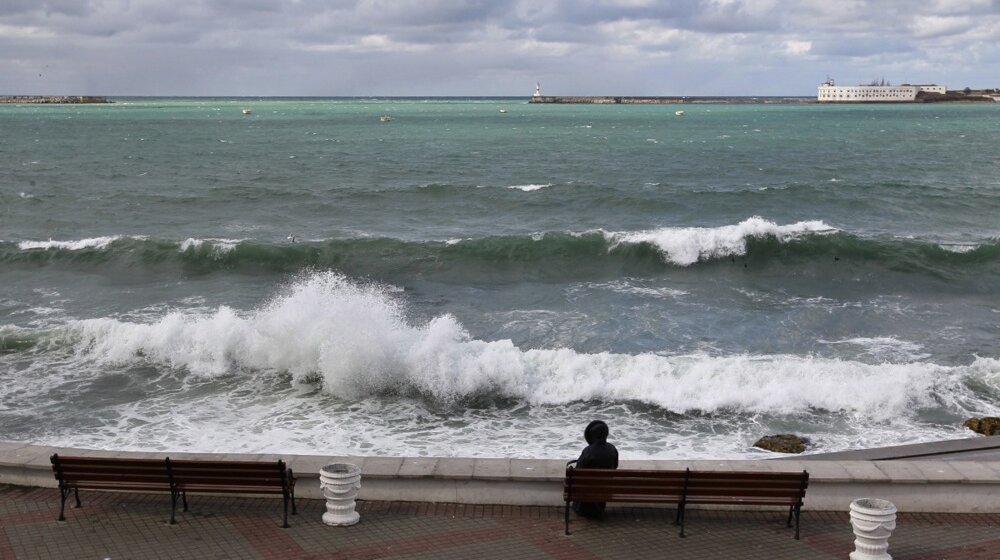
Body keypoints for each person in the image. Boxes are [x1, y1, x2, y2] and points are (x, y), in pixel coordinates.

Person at [572, 420, 619, 519]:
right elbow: (615, 466)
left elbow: (578, 472)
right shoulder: (612, 449)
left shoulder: (588, 451)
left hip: (589, 489)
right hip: (606, 488)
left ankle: (583, 510)